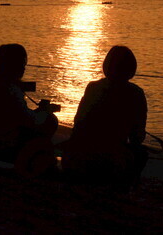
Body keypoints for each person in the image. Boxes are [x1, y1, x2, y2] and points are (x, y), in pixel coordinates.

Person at [61, 45, 148, 191]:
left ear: (107, 65)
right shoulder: (136, 94)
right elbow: (137, 137)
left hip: (77, 160)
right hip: (110, 162)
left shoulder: (93, 88)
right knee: (141, 153)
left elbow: (79, 123)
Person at [0, 43, 58, 163]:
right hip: (7, 142)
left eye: (24, 64)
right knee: (50, 120)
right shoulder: (11, 89)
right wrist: (44, 112)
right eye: (22, 63)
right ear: (12, 65)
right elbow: (27, 119)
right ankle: (33, 156)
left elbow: (17, 114)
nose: (24, 67)